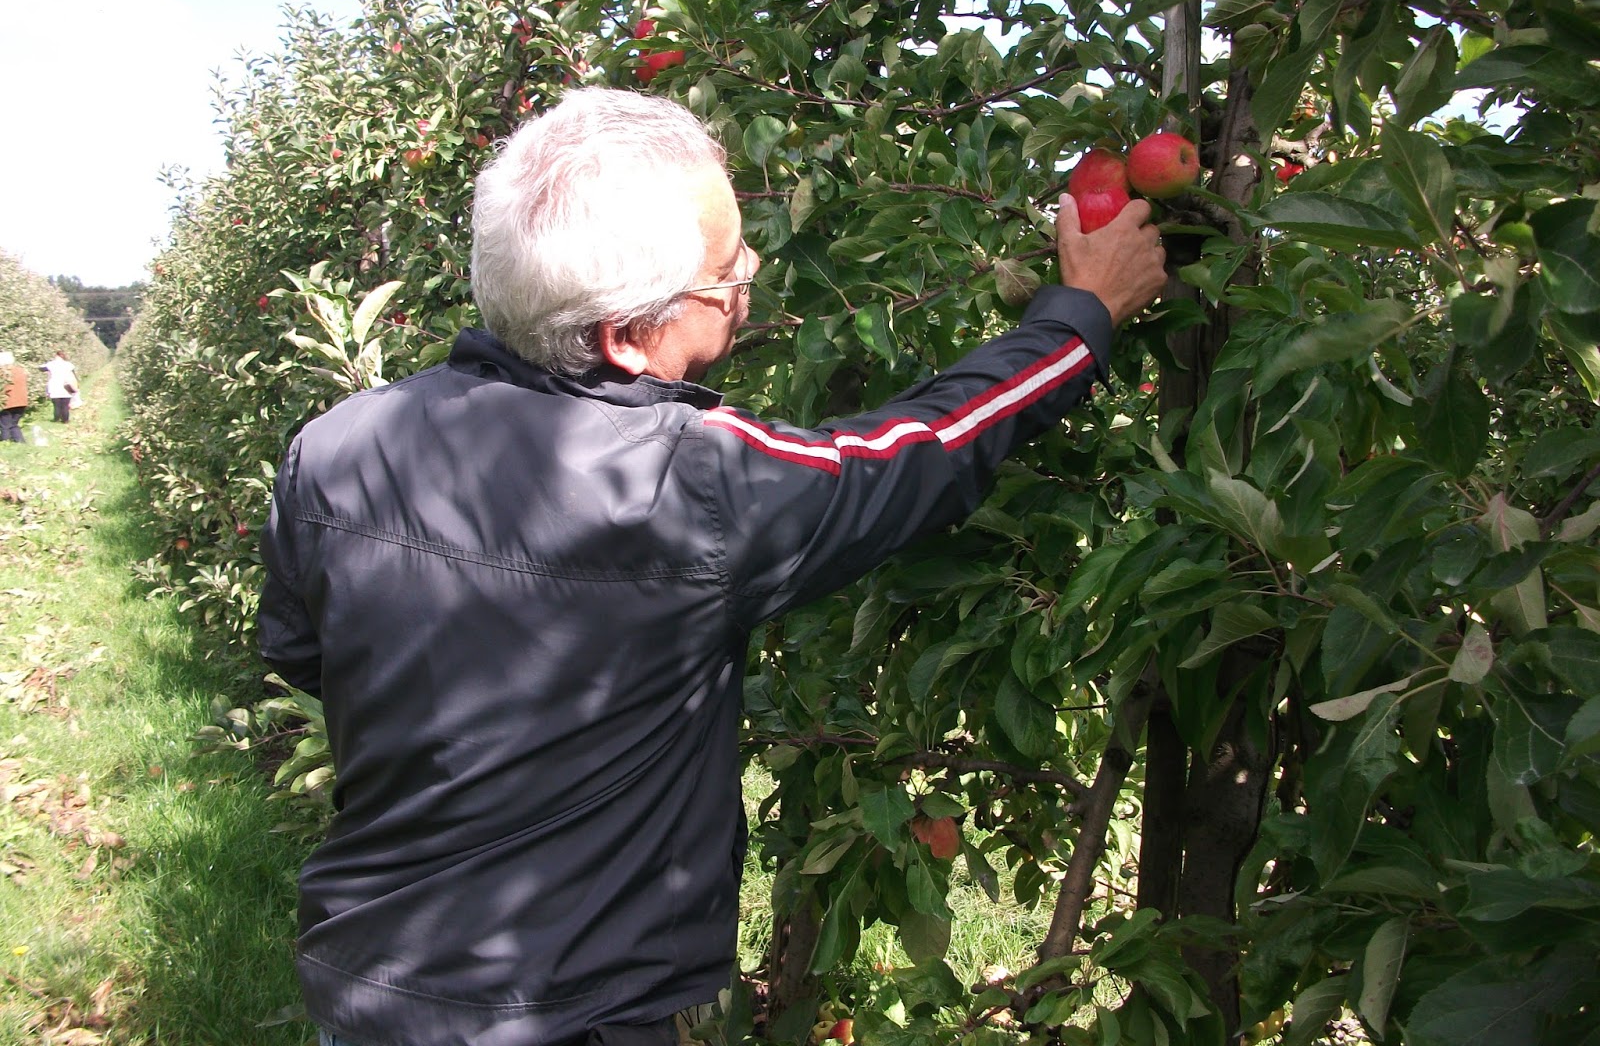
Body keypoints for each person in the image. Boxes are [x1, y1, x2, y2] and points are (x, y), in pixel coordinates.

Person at [258, 88, 1165, 1046]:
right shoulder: (690, 481)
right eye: (727, 271)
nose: (753, 274)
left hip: (367, 989)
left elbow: (305, 653)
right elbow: (919, 451)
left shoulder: (335, 447)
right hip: (579, 1013)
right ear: (623, 331)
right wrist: (1081, 316)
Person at [40, 350, 78, 424]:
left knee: (56, 405)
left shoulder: (51, 364)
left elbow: (41, 368)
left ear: (56, 356)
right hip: (66, 386)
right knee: (65, 406)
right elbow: (73, 374)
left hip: (54, 387)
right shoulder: (68, 364)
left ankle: (56, 419)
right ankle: (65, 420)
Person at [0, 352, 26, 444]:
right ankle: (20, 441)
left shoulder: (3, 372)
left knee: (5, 425)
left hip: (6, 402)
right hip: (21, 402)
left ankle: (5, 442)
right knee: (13, 424)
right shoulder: (20, 370)